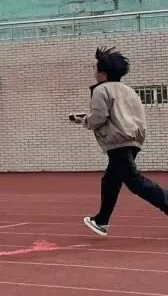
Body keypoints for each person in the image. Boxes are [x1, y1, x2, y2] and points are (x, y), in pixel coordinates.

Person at [70, 46, 168, 235]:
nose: (93, 71)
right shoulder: (129, 91)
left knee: (135, 182)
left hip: (118, 142)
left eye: (95, 68)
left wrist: (83, 120)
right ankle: (101, 221)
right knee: (111, 180)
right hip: (133, 140)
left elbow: (98, 118)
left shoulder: (101, 90)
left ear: (103, 73)